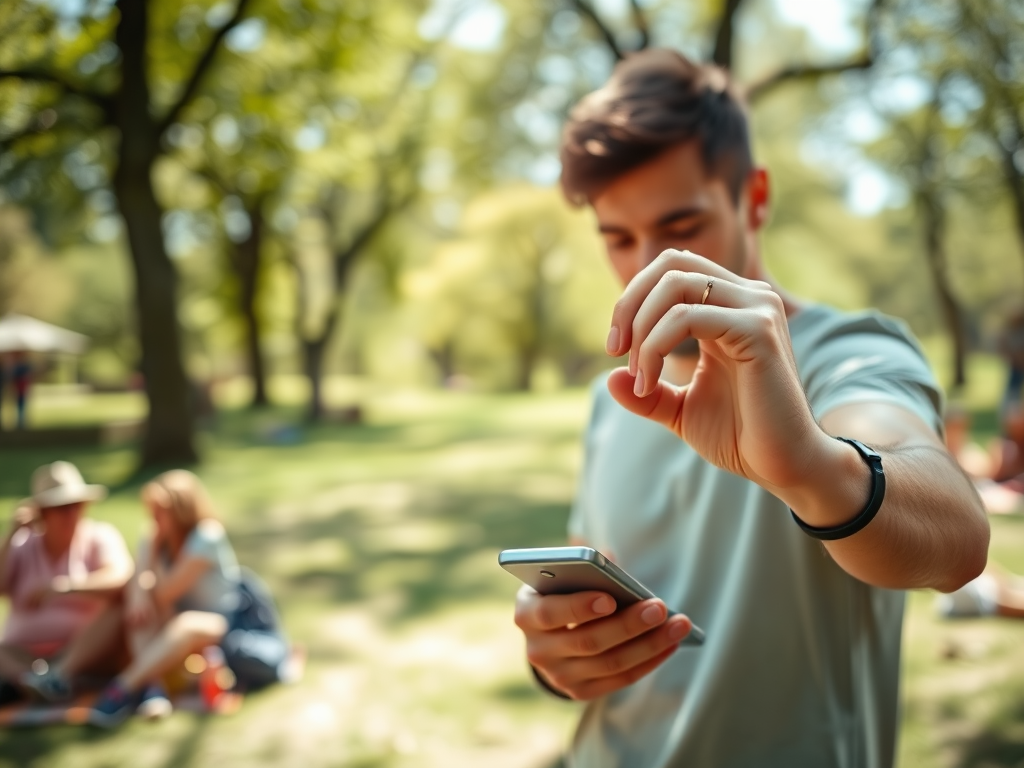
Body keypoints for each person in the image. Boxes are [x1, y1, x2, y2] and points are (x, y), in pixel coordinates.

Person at [512, 50, 989, 768]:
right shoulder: (613, 401)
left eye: (682, 222)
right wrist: (560, 658)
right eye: (616, 236)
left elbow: (958, 540)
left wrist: (810, 468)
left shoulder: (850, 355)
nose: (646, 263)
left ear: (755, 198)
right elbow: (601, 609)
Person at [89, 469, 242, 727]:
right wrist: (138, 594)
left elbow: (164, 592)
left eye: (160, 512)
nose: (154, 519)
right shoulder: (163, 537)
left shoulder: (206, 536)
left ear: (180, 510)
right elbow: (143, 589)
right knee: (141, 608)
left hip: (222, 622)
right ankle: (152, 688)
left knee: (178, 618)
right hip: (177, 616)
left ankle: (121, 688)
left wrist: (147, 556)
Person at [0, 461, 133, 703]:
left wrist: (66, 586)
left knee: (119, 608)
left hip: (82, 652)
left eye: (77, 505)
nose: (72, 514)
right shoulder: (21, 544)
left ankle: (56, 678)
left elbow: (121, 577)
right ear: (42, 513)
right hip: (22, 653)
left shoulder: (99, 536)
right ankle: (34, 683)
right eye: (62, 508)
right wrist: (11, 534)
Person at [11, 352, 30, 430]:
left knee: (21, 406)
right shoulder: (19, 367)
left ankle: (21, 422)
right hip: (19, 389)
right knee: (20, 406)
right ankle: (20, 422)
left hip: (22, 389)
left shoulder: (22, 367)